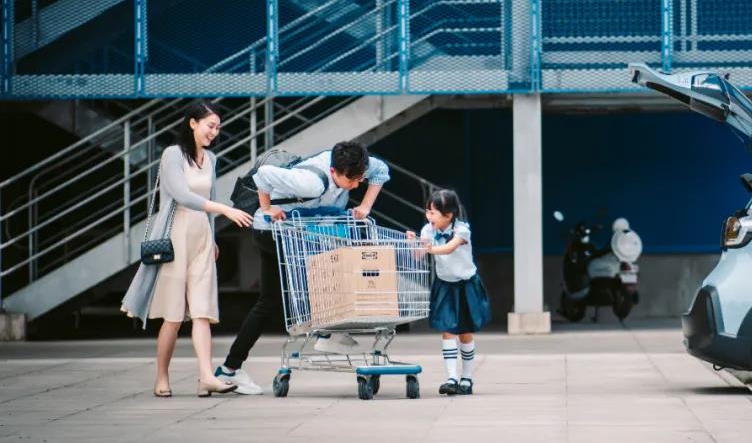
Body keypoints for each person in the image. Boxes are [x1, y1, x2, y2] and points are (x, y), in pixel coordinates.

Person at [215, 138, 390, 394]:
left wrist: (365, 206)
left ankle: (229, 369)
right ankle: (327, 334)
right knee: (324, 269)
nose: (355, 185)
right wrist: (267, 207)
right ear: (333, 171)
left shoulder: (356, 162)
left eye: (359, 180)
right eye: (351, 181)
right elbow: (263, 175)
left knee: (269, 301)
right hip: (274, 232)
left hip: (297, 232)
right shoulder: (311, 182)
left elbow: (381, 171)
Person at [121, 101, 255, 397]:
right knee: (173, 316)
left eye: (218, 127)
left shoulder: (211, 158)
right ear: (193, 123)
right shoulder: (172, 154)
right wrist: (224, 209)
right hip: (175, 237)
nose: (214, 132)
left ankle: (206, 376)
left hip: (201, 238)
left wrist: (212, 237)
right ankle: (161, 376)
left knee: (202, 311)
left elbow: (209, 196)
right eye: (210, 126)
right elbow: (181, 195)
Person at [407, 189, 491, 396]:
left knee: (465, 333)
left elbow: (449, 248)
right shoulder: (427, 230)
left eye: (433, 212)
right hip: (444, 284)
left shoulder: (462, 230)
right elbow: (418, 256)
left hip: (465, 284)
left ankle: (467, 378)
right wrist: (413, 243)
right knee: (447, 330)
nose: (428, 216)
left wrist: (428, 248)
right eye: (427, 211)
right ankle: (452, 378)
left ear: (449, 214)